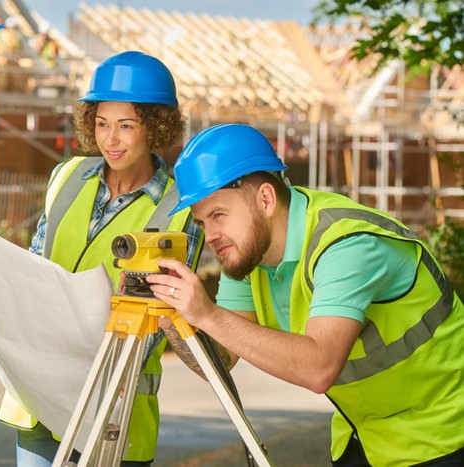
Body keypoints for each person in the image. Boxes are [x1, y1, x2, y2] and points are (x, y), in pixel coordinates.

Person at [0, 51, 206, 465]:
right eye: (102, 123)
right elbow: (32, 271)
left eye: (126, 126)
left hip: (113, 411)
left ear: (156, 126)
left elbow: (160, 322)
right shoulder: (67, 177)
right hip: (38, 401)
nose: (111, 139)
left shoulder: (182, 208)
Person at [145, 123, 464, 466]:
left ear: (265, 198)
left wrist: (207, 314)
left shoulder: (345, 244)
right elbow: (220, 360)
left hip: (443, 433)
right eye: (203, 223)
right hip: (365, 435)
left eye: (218, 215)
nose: (211, 235)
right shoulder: (246, 254)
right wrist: (171, 314)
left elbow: (319, 368)